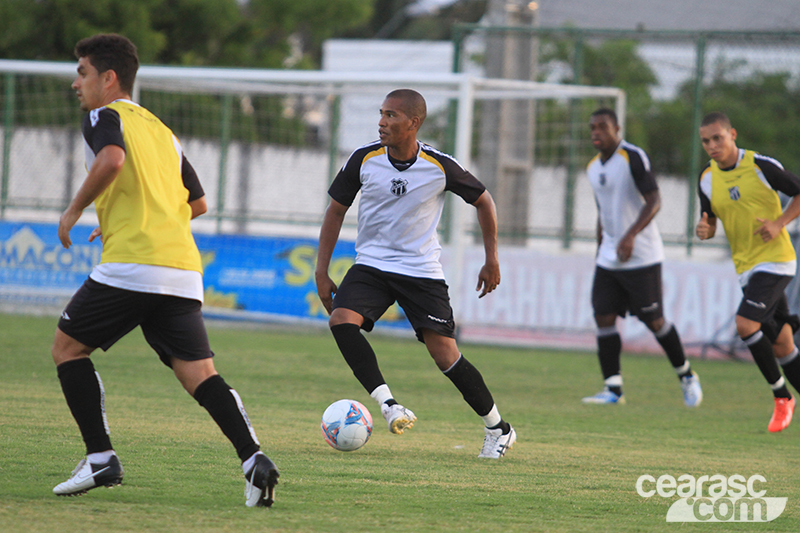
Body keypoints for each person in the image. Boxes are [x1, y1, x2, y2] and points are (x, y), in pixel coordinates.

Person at [52, 34, 278, 506]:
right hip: (180, 269)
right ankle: (254, 459)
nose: (77, 83)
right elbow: (198, 203)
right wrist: (127, 219)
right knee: (200, 373)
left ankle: (99, 458)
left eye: (82, 72)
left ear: (108, 78)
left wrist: (74, 211)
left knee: (68, 349)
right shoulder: (162, 131)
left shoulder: (102, 115)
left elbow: (112, 159)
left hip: (134, 264)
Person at [315, 89, 515, 458]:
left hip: (420, 270)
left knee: (445, 354)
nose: (382, 122)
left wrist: (492, 259)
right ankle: (388, 404)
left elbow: (484, 200)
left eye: (391, 115)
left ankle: (499, 429)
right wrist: (321, 270)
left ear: (413, 122)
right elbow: (335, 211)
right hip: (372, 264)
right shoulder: (364, 159)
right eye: (381, 114)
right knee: (341, 320)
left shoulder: (439, 166)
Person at [582, 108, 703, 407]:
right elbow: (604, 211)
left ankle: (687, 376)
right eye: (592, 128)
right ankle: (613, 389)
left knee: (655, 320)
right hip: (609, 257)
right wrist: (602, 245)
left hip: (642, 256)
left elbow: (655, 200)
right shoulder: (592, 168)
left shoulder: (632, 157)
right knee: (603, 317)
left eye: (602, 127)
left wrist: (631, 235)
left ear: (617, 129)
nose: (596, 132)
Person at [696, 112, 800, 432]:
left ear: (733, 135)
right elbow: (710, 218)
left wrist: (779, 222)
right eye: (705, 141)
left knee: (746, 324)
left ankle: (781, 397)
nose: (712, 146)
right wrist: (705, 227)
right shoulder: (707, 179)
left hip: (777, 260)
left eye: (718, 138)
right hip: (746, 269)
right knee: (782, 344)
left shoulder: (760, 166)